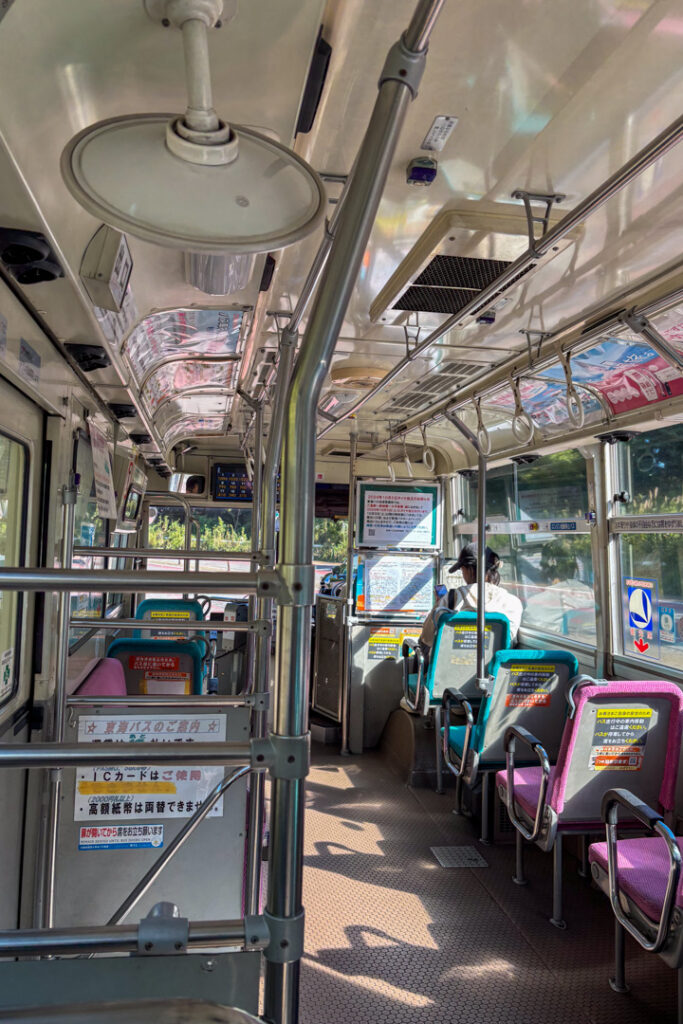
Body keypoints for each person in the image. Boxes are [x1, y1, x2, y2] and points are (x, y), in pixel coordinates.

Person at [419, 543, 523, 653]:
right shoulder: (513, 602)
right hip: (493, 669)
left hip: (452, 667)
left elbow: (426, 639)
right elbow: (509, 641)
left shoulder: (451, 599)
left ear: (468, 570)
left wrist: (439, 606)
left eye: (462, 570)